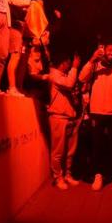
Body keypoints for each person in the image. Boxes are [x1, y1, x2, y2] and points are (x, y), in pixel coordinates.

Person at [78, 39, 112, 191]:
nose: (111, 53)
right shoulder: (94, 65)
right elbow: (81, 78)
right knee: (97, 146)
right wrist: (92, 59)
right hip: (97, 112)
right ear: (103, 51)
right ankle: (98, 174)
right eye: (109, 50)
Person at [42, 51, 82, 190]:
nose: (70, 65)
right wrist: (75, 68)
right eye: (69, 63)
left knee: (70, 151)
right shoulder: (54, 75)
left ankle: (67, 175)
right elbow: (69, 84)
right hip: (58, 117)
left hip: (69, 116)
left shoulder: (63, 75)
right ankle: (58, 177)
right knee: (58, 151)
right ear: (63, 62)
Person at [6, 0, 39, 96]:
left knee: (19, 58)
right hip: (12, 23)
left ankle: (16, 87)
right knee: (13, 56)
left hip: (19, 24)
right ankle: (11, 87)